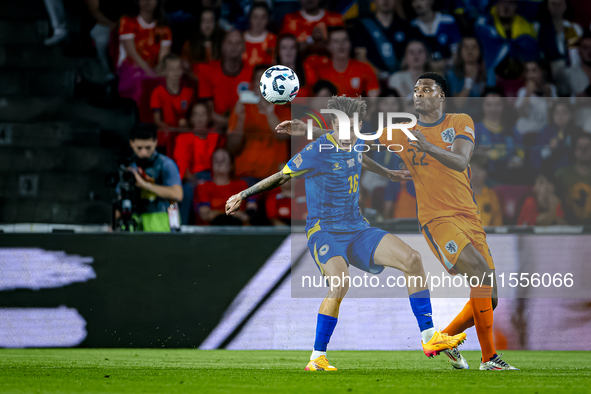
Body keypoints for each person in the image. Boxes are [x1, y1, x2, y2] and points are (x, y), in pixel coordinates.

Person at [227, 95, 466, 371]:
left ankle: (428, 337)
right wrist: (242, 194)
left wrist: (387, 172)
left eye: (353, 127)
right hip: (325, 232)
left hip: (357, 228)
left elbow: (359, 154)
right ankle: (317, 357)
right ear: (333, 125)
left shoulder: (356, 139)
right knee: (340, 283)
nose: (348, 134)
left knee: (412, 259)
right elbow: (282, 176)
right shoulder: (317, 151)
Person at [226, 65, 291, 182]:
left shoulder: (283, 107)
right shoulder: (242, 106)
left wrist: (268, 110)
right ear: (252, 84)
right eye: (259, 80)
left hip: (275, 177)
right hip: (246, 175)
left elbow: (283, 135)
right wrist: (240, 120)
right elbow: (232, 146)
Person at [124, 123, 183, 232]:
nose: (144, 152)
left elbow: (177, 194)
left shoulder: (165, 165)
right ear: (131, 143)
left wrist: (145, 185)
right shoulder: (128, 166)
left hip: (160, 223)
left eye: (148, 147)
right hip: (135, 221)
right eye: (139, 148)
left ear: (155, 142)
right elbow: (121, 196)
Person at [173, 101, 224, 225]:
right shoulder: (183, 138)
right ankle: (182, 226)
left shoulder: (215, 136)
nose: (200, 119)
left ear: (208, 117)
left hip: (213, 177)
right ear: (191, 118)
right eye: (196, 114)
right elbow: (182, 166)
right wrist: (195, 181)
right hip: (192, 178)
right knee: (187, 190)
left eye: (203, 114)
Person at [118, 0, 171, 107]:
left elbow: (164, 55)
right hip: (131, 68)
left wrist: (160, 69)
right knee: (141, 84)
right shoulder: (127, 21)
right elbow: (131, 53)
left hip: (154, 68)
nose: (147, 1)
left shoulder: (163, 27)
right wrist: (149, 71)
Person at [197, 30, 253, 130]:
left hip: (243, 128)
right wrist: (229, 123)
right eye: (230, 43)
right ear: (222, 46)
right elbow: (209, 113)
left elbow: (252, 111)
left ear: (244, 47)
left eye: (238, 43)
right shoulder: (207, 71)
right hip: (216, 127)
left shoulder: (252, 74)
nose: (233, 47)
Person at [475, 0, 539, 87]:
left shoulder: (525, 26)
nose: (506, 7)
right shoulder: (485, 23)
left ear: (517, 5)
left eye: (511, 2)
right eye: (502, 1)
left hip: (519, 76)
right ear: (496, 3)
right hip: (492, 76)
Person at [347, 0, 410, 80]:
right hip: (371, 78)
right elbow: (360, 55)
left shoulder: (406, 26)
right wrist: (379, 74)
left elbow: (411, 53)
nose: (385, 1)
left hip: (401, 78)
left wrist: (399, 74)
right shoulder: (361, 26)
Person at [311, 27, 380, 97]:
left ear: (350, 44)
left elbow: (373, 99)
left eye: (345, 40)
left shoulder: (364, 68)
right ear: (329, 46)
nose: (341, 44)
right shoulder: (320, 71)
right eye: (336, 41)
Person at [474, 87, 523, 183]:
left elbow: (521, 154)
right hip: (484, 180)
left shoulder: (511, 131)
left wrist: (517, 160)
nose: (493, 109)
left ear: (503, 106)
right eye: (489, 105)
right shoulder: (474, 130)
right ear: (482, 106)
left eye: (497, 104)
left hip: (510, 178)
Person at [196, 148, 254, 225]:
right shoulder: (203, 187)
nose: (219, 163)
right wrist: (236, 214)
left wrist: (217, 213)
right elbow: (205, 215)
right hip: (213, 230)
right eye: (216, 160)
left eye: (223, 160)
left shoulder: (242, 185)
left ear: (231, 165)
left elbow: (250, 213)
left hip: (239, 229)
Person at [537, 0, 583, 96]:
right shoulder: (538, 28)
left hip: (571, 73)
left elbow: (578, 55)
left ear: (566, 6)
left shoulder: (574, 28)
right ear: (547, 6)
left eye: (560, 4)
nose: (557, 7)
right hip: (549, 73)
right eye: (553, 4)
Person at [150, 54, 195, 151]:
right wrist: (169, 129)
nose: (175, 73)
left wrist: (186, 126)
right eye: (171, 69)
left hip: (185, 136)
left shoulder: (189, 92)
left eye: (178, 69)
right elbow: (157, 120)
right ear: (165, 71)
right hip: (165, 139)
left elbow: (192, 117)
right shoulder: (158, 92)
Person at [530, 100, 582, 173]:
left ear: (571, 115)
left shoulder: (577, 132)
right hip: (551, 171)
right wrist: (550, 149)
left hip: (573, 172)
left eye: (564, 112)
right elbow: (537, 158)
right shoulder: (545, 132)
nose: (560, 116)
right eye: (556, 113)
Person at [408, 0, 461, 71]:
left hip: (450, 69)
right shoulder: (412, 26)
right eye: (414, 1)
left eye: (421, 0)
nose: (418, 4)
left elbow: (457, 52)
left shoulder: (448, 21)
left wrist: (447, 63)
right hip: (424, 71)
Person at [555, 133, 591, 225]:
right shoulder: (562, 174)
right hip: (566, 229)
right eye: (580, 147)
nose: (583, 150)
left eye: (587, 147)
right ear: (574, 150)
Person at [514, 60, 557, 136]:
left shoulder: (550, 89)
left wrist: (548, 96)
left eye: (534, 70)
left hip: (543, 132)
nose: (531, 75)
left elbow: (555, 115)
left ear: (542, 72)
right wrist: (527, 94)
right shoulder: (522, 92)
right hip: (524, 132)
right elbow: (520, 114)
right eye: (527, 71)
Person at [181, 8, 225, 80]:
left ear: (215, 22)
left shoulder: (224, 43)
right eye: (204, 21)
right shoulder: (189, 45)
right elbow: (185, 70)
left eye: (210, 20)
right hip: (196, 84)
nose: (207, 24)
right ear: (199, 23)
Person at [280, 0, 344, 48]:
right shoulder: (290, 20)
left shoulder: (335, 19)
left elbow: (343, 46)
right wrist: (311, 40)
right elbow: (285, 50)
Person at [445, 37, 486, 109]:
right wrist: (468, 80)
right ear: (460, 51)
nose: (470, 51)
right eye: (466, 47)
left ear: (480, 50)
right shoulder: (452, 74)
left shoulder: (487, 72)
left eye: (474, 47)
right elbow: (458, 104)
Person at [470, 155, 503, 227]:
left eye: (480, 169)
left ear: (486, 173)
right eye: (472, 170)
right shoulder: (459, 194)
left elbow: (497, 221)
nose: (476, 173)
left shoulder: (491, 195)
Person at [243, 3, 277, 67]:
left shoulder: (273, 39)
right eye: (255, 17)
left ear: (268, 19)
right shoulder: (240, 39)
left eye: (263, 17)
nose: (258, 21)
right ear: (249, 18)